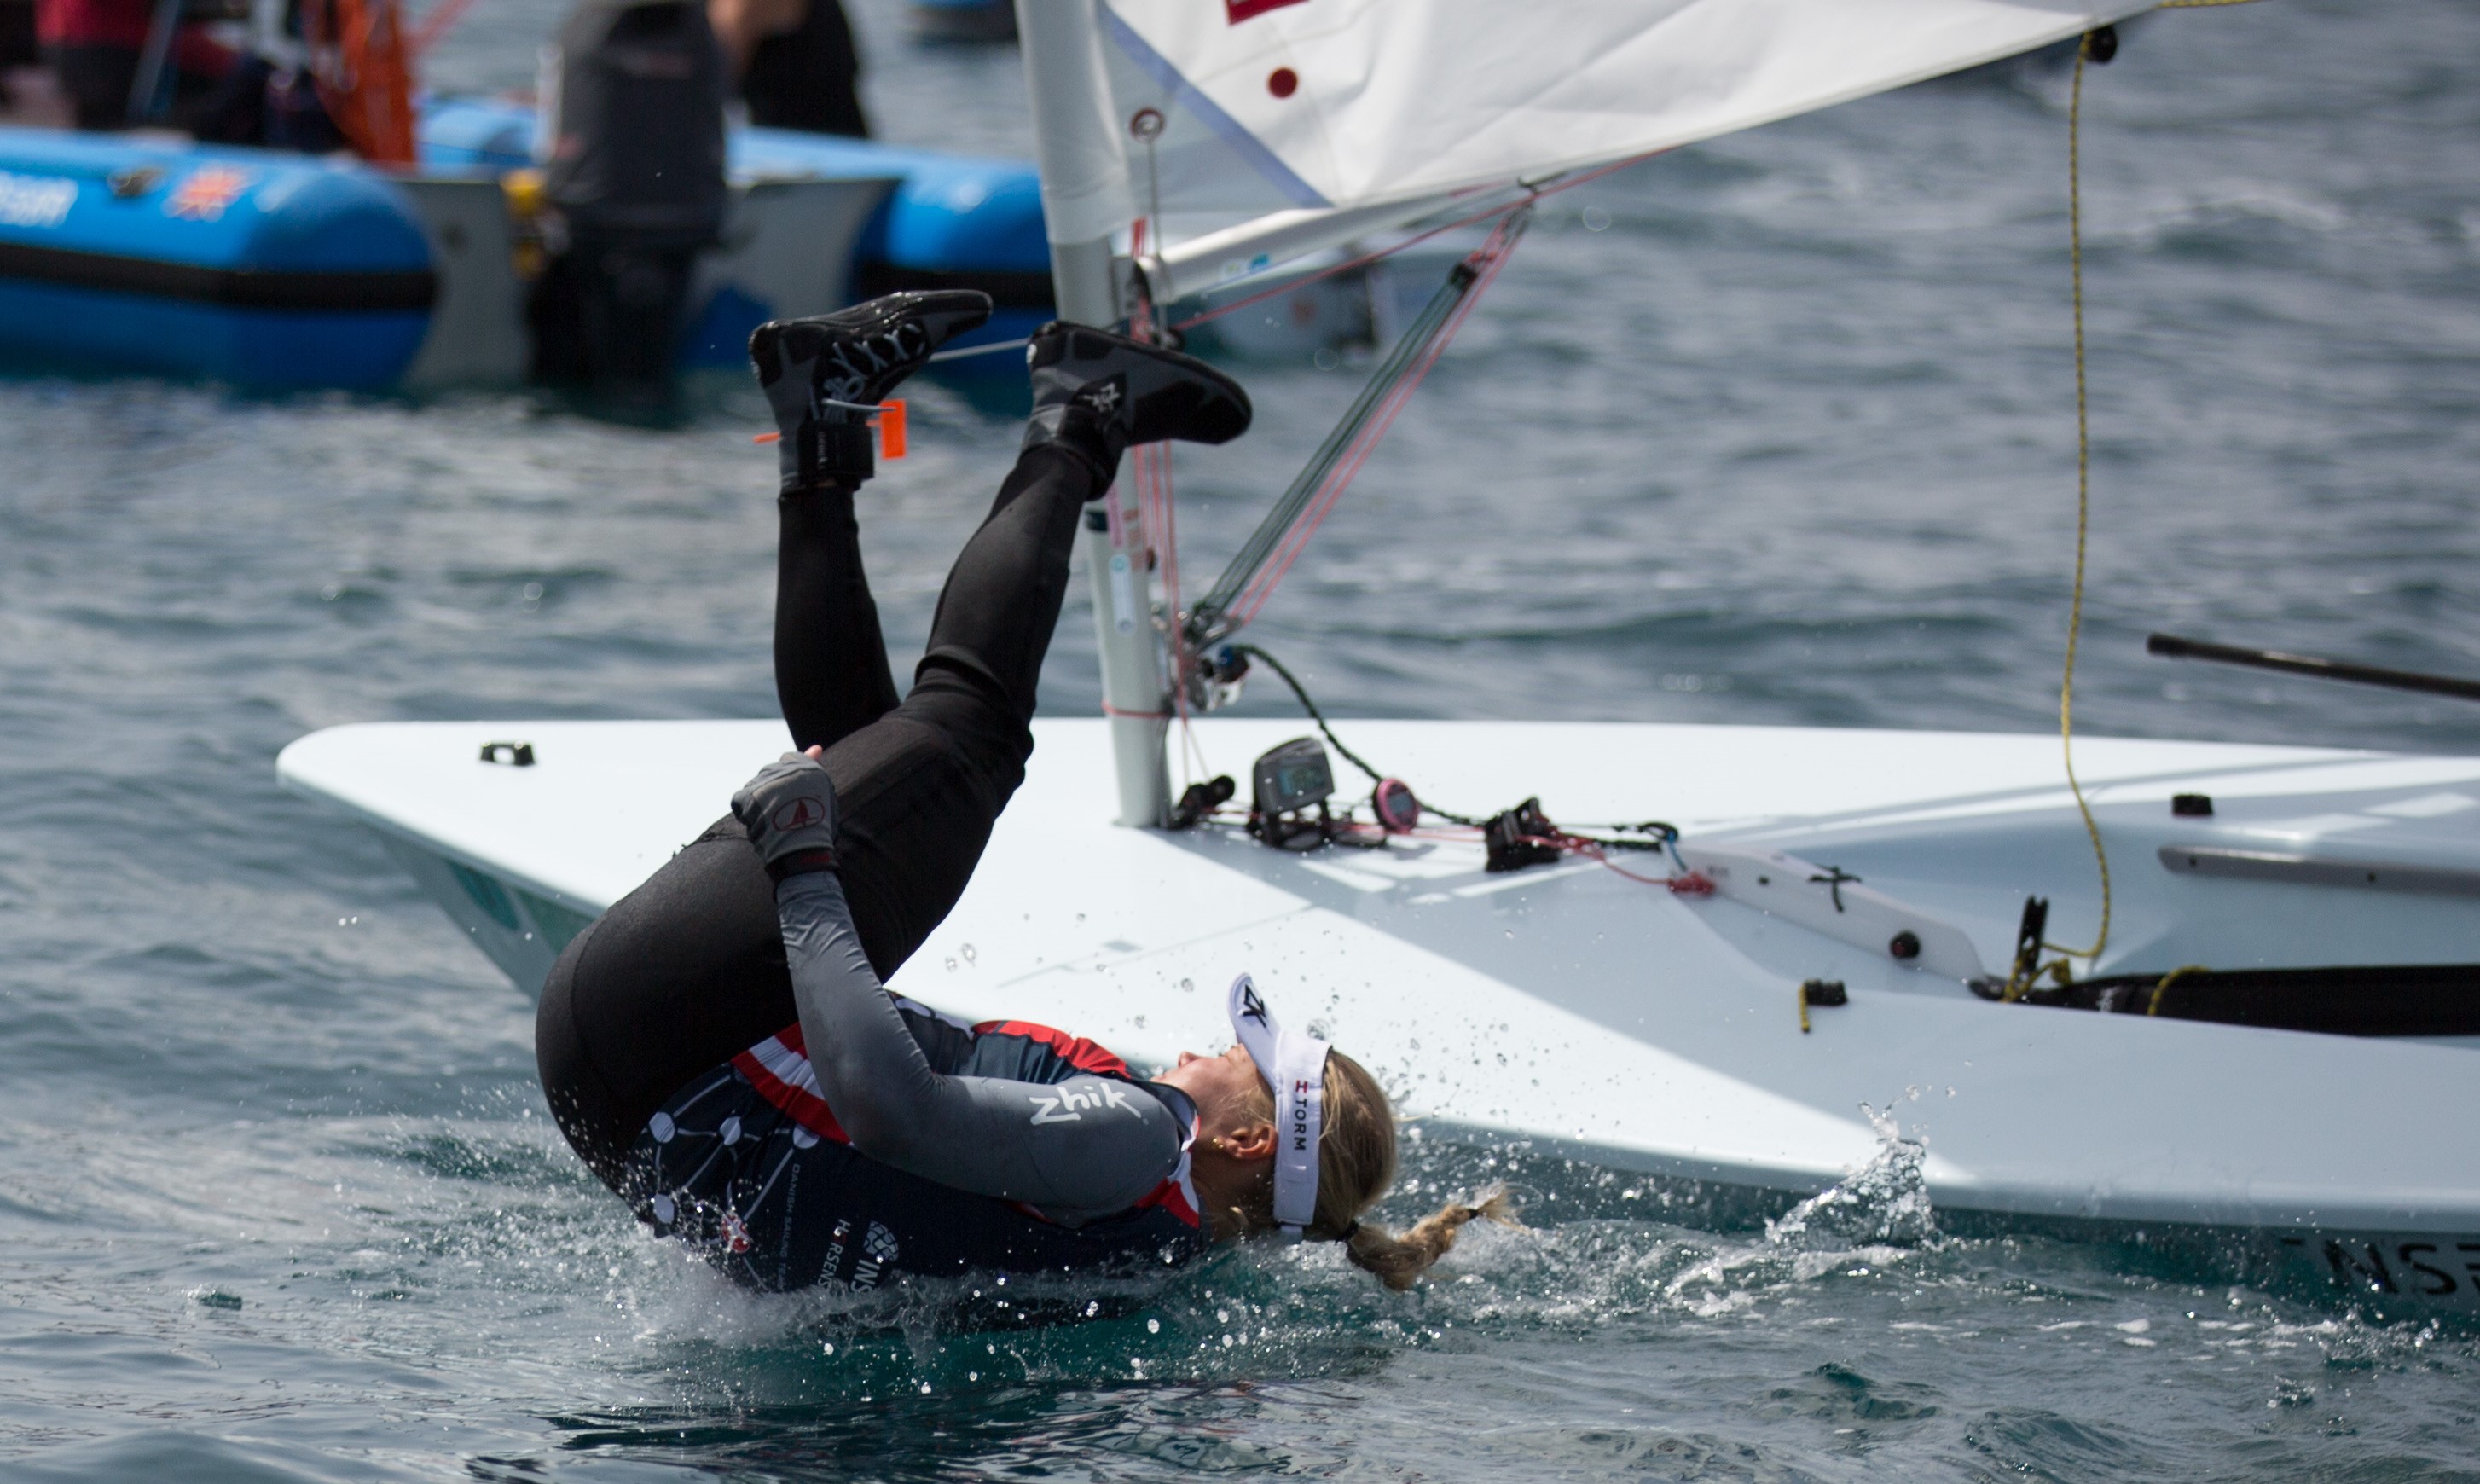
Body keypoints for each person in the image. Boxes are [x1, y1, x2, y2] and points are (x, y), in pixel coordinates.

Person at [536, 290, 1507, 1296]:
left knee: (975, 728)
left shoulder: (1139, 1141)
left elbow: (889, 1110)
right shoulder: (1153, 1248)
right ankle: (819, 423)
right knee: (885, 747)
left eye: (1232, 1053)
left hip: (663, 1035)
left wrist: (803, 861)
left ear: (1254, 1139)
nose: (1199, 1046)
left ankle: (1082, 408)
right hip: (634, 1094)